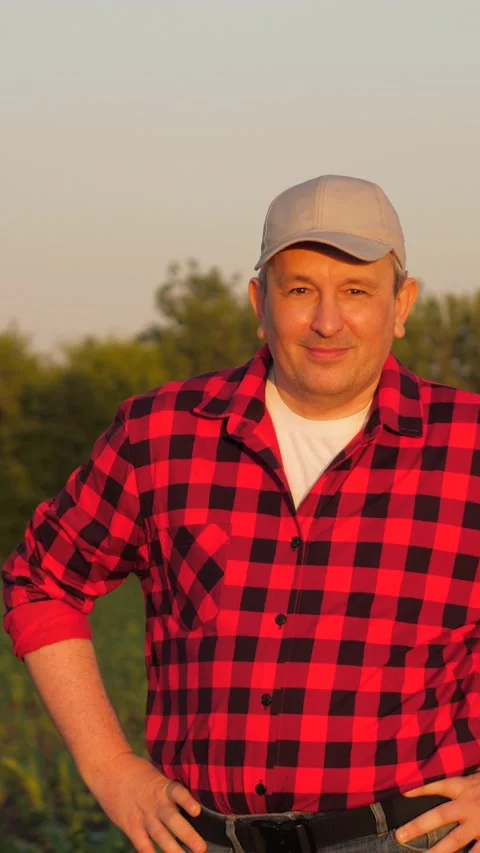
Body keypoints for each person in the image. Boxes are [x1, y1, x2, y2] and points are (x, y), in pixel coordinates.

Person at [2, 173, 480, 853]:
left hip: (412, 837)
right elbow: (42, 581)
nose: (326, 320)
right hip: (205, 840)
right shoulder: (162, 434)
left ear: (402, 304)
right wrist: (109, 769)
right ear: (259, 301)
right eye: (299, 289)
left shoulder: (468, 446)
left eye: (356, 291)